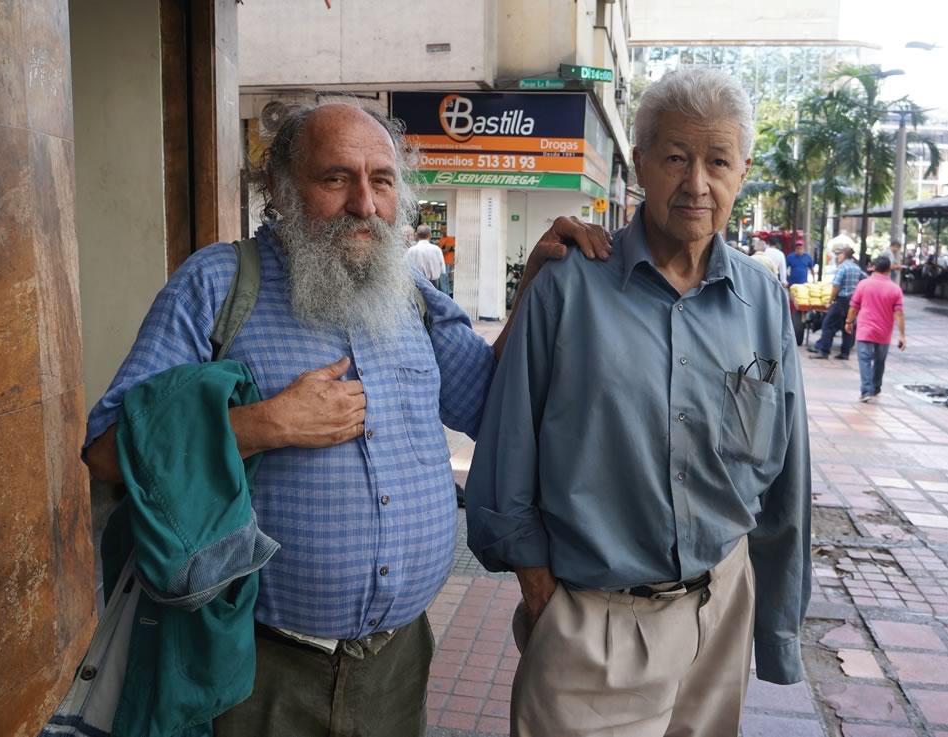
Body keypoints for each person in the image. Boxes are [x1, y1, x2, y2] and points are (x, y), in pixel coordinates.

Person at [81, 100, 611, 737]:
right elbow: (107, 452)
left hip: (397, 663)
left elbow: (489, 408)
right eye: (336, 178)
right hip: (255, 667)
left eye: (381, 180)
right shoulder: (218, 285)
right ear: (280, 188)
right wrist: (264, 425)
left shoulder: (412, 298)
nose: (365, 203)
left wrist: (533, 284)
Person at [466, 67, 811, 737]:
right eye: (677, 158)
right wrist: (540, 594)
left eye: (719, 161)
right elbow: (506, 451)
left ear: (742, 172)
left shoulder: (763, 300)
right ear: (642, 164)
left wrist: (774, 626)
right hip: (597, 623)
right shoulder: (568, 285)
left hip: (721, 608)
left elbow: (786, 474)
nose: (697, 184)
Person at [844, 256, 906, 402]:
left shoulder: (863, 284)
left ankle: (866, 391)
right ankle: (875, 387)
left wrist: (848, 321)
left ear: (873, 267)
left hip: (865, 330)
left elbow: (854, 307)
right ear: (889, 270)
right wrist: (902, 335)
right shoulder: (895, 289)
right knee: (879, 361)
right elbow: (899, 314)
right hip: (884, 333)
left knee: (864, 360)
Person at [810, 246, 866, 360]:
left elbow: (836, 285)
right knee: (848, 324)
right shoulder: (856, 268)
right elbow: (865, 278)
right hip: (853, 300)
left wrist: (830, 300)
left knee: (827, 324)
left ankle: (824, 351)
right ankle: (845, 352)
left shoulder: (842, 267)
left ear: (844, 255)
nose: (838, 257)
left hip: (841, 300)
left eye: (839, 254)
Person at [405, 223, 445, 291]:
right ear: (430, 235)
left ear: (416, 235)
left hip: (417, 284)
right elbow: (442, 270)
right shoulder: (437, 249)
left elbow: (406, 267)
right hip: (434, 284)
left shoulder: (411, 250)